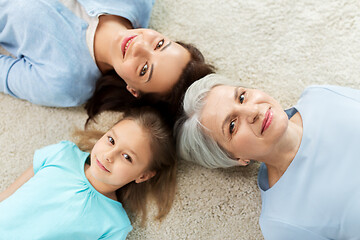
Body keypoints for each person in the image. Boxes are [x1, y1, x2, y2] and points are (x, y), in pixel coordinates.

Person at [176, 74, 360, 240]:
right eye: (232, 125)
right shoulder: (282, 222)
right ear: (234, 158)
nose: (252, 112)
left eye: (242, 97)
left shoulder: (320, 95)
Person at [0, 0, 214, 117]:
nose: (139, 46)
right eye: (159, 44)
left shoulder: (65, 83)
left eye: (144, 69)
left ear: (133, 89)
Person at [0, 106, 177, 239]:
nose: (109, 155)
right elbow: (9, 193)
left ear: (143, 175)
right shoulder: (62, 154)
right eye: (111, 140)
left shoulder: (114, 226)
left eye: (126, 157)